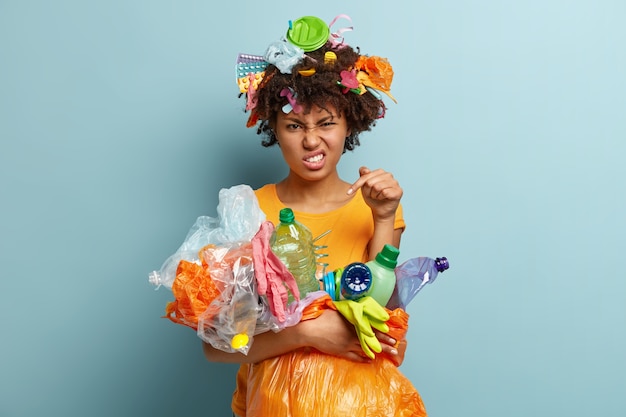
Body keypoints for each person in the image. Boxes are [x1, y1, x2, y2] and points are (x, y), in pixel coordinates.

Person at [203, 15, 427, 417]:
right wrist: (306, 334)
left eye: (326, 123)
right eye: (293, 125)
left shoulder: (374, 206)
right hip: (272, 404)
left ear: (349, 124)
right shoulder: (249, 211)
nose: (311, 140)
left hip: (362, 405)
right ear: (273, 126)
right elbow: (220, 345)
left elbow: (384, 322)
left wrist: (382, 217)